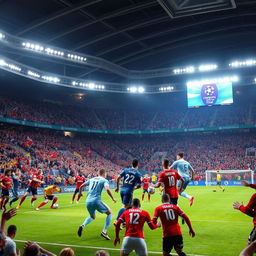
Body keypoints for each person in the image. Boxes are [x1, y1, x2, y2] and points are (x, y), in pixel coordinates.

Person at [77, 169, 116, 240]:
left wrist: (80, 193)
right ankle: (104, 232)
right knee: (110, 213)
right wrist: (113, 198)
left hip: (88, 201)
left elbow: (81, 186)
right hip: (96, 200)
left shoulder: (92, 179)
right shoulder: (104, 180)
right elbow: (107, 189)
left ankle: (82, 225)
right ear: (104, 174)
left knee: (92, 217)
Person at [233, 180, 256, 244]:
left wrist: (240, 207)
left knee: (248, 247)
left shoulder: (255, 197)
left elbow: (247, 210)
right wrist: (250, 185)